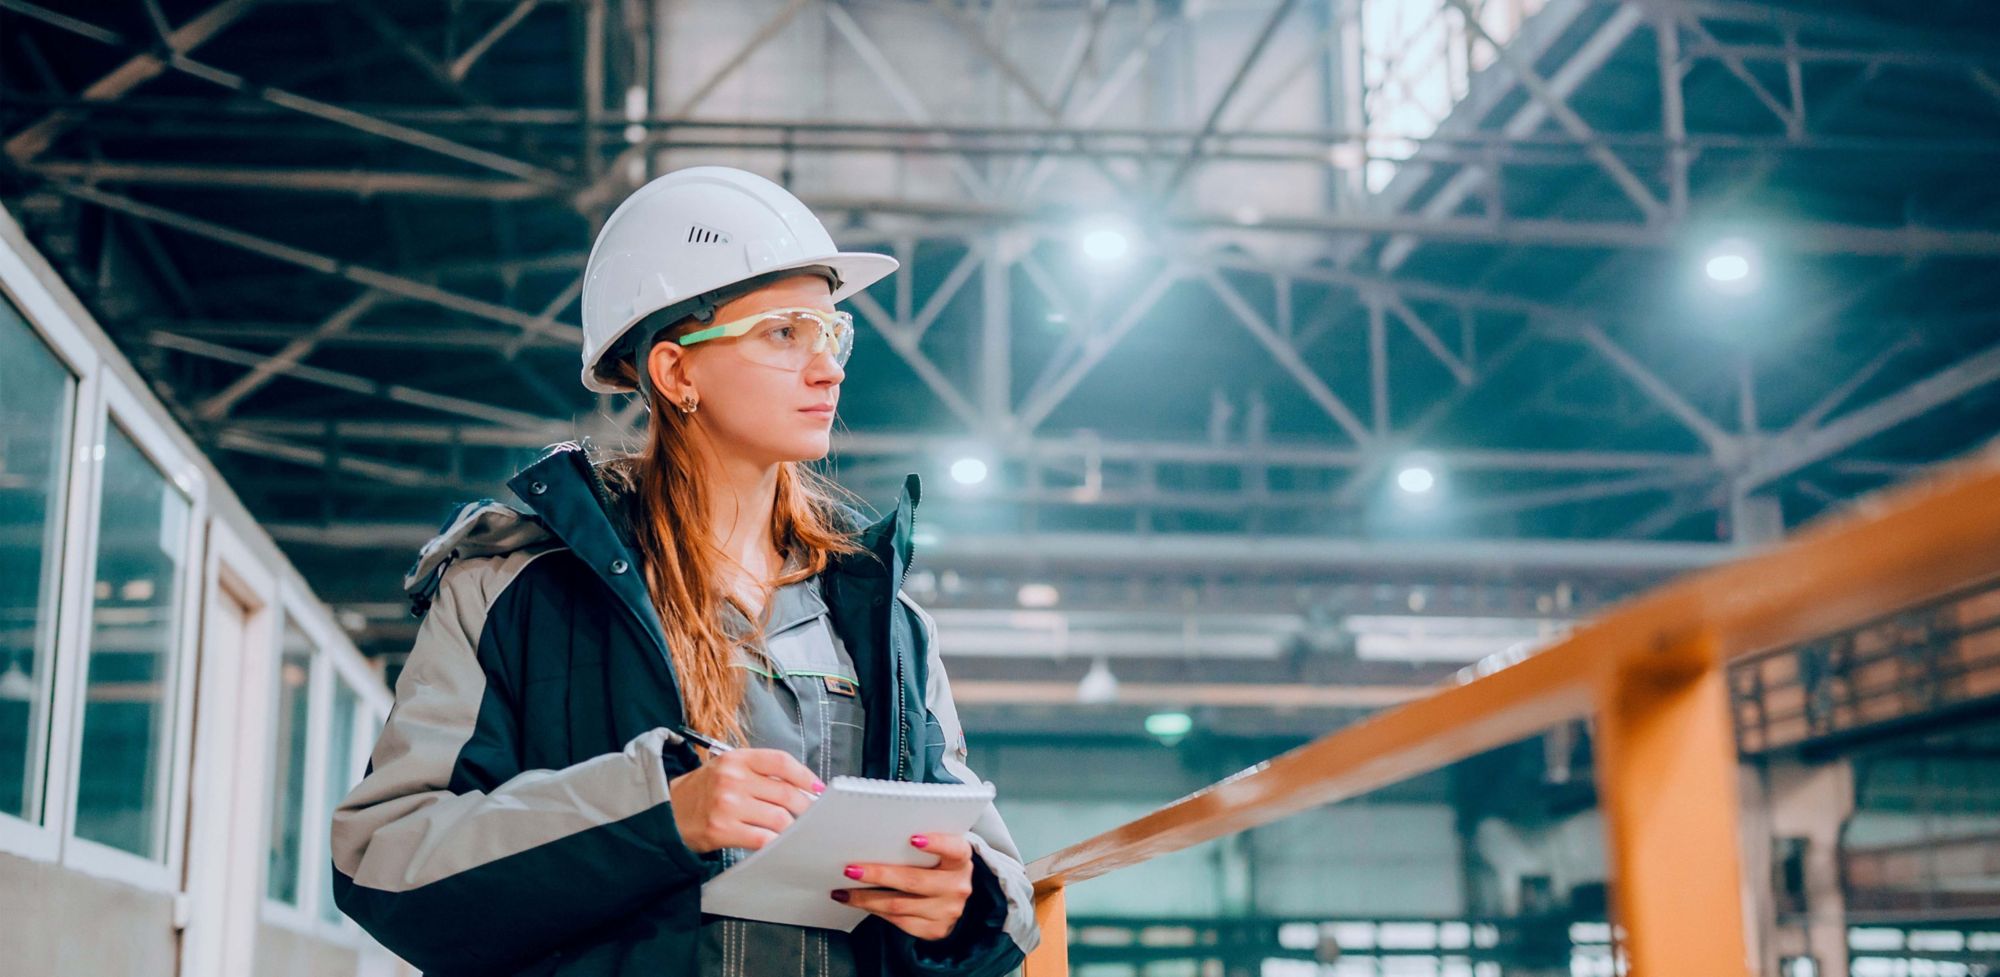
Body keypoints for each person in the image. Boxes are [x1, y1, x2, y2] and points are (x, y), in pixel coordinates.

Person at [329, 166, 1039, 977]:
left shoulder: (885, 620)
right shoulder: (513, 591)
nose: (828, 368)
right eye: (784, 332)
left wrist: (964, 903)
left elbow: (1000, 880)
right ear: (676, 372)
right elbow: (382, 857)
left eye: (830, 332)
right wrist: (655, 813)